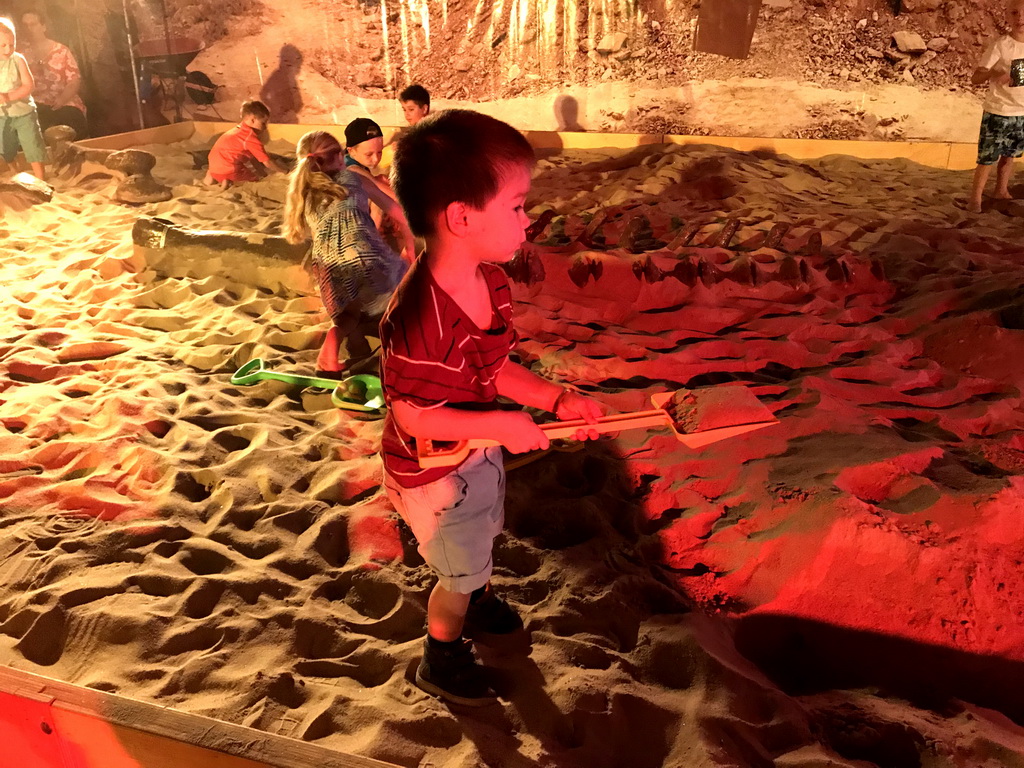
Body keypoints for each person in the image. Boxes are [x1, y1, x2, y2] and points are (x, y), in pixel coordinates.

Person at [379, 109, 602, 706]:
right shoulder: (419, 318)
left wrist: (556, 398)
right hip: (434, 473)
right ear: (461, 216)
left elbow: (495, 368)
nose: (527, 222)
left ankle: (476, 592)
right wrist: (499, 423)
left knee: (482, 530)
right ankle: (442, 654)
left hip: (476, 456)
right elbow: (413, 418)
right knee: (454, 572)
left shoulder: (489, 281)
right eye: (517, 206)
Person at [283, 129, 415, 375]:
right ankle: (400, 352)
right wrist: (410, 247)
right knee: (404, 292)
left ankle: (337, 350)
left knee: (346, 310)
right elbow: (397, 212)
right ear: (341, 156)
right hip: (366, 254)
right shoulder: (353, 177)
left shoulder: (304, 190)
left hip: (327, 264)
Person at [968, 0, 1024, 213]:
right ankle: (975, 198)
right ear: (1008, 16)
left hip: (1021, 112)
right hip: (998, 111)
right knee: (987, 157)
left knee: (1010, 155)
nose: (1020, 18)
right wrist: (994, 73)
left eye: (1023, 13)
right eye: (1014, 13)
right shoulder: (1001, 45)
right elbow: (976, 77)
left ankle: (1001, 189)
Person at [19, 10, 87, 140]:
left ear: (43, 26)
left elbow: (74, 80)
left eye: (32, 24)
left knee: (72, 118)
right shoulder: (19, 53)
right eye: (25, 25)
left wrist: (62, 99)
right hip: (34, 104)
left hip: (63, 101)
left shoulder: (61, 50)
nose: (28, 28)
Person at [204, 99, 286, 188]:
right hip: (229, 171)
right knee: (253, 181)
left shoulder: (238, 130)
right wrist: (285, 171)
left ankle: (212, 179)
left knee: (223, 168)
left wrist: (263, 174)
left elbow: (253, 159)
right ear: (253, 120)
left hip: (213, 168)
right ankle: (230, 182)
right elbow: (267, 162)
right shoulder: (250, 138)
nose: (265, 127)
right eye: (263, 123)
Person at [0, 17, 44, 179]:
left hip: (24, 112)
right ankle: (14, 170)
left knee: (32, 144)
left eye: (11, 44)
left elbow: (28, 85)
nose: (7, 49)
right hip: (2, 116)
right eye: (3, 45)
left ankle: (40, 179)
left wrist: (8, 96)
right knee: (5, 147)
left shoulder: (18, 60)